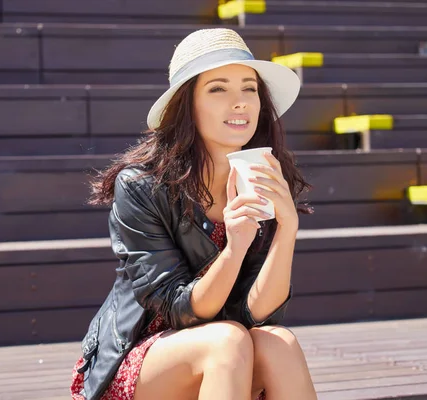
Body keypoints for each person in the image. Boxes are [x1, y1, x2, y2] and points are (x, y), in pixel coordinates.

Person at [70, 28, 317, 400]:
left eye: (249, 88)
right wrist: (234, 248)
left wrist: (287, 228)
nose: (240, 103)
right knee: (226, 340)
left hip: (226, 355)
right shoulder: (141, 186)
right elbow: (178, 310)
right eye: (218, 89)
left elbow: (259, 314)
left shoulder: (264, 176)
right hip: (140, 360)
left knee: (277, 341)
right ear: (187, 105)